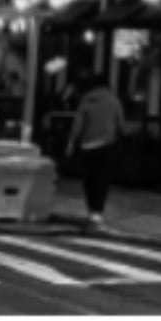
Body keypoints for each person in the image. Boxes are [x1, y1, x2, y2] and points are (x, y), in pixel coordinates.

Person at [65, 76, 126, 231]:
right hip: (106, 144)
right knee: (101, 179)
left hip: (88, 144)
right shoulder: (114, 101)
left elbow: (78, 124)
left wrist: (71, 143)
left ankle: (91, 210)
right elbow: (121, 123)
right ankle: (97, 212)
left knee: (89, 180)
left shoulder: (86, 100)